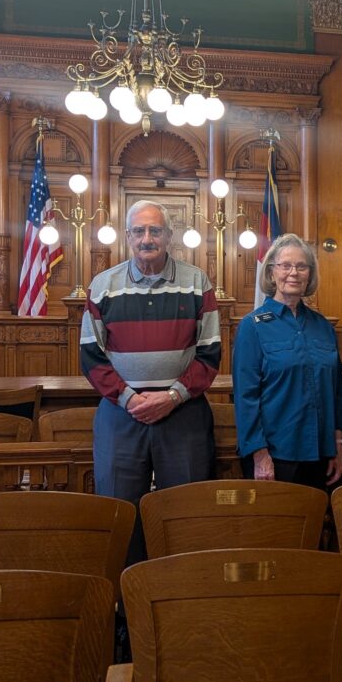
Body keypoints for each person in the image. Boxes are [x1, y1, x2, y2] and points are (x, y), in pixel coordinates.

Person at [80, 199, 221, 565]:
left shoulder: (197, 283)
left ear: (169, 236)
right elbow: (91, 357)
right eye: (139, 231)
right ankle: (127, 609)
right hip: (121, 416)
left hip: (184, 415)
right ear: (127, 236)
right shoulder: (103, 285)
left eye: (155, 230)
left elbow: (209, 356)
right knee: (120, 514)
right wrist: (129, 399)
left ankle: (182, 601)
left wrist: (171, 398)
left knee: (185, 512)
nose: (147, 238)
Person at [232, 233, 342, 488]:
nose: (293, 273)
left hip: (321, 453)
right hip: (276, 456)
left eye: (301, 266)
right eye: (285, 265)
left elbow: (337, 392)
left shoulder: (323, 327)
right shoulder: (253, 326)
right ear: (272, 272)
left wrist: (337, 446)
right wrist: (260, 455)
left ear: (310, 274)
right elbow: (246, 397)